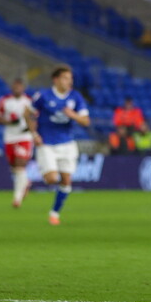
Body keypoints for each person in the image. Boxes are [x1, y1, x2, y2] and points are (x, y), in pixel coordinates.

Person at [28, 65, 91, 226]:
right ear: (55, 79)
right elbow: (29, 114)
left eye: (70, 79)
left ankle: (54, 212)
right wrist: (34, 134)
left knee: (66, 181)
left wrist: (73, 115)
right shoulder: (42, 96)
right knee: (51, 179)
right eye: (65, 78)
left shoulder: (75, 97)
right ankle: (30, 181)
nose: (69, 82)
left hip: (67, 143)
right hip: (47, 143)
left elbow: (86, 121)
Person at [0, 78, 35, 208]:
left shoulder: (29, 101)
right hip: (10, 137)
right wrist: (9, 122)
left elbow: (35, 118)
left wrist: (30, 126)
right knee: (13, 166)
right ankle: (26, 182)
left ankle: (17, 199)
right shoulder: (4, 101)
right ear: (12, 87)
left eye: (19, 87)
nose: (17, 89)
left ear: (23, 88)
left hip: (24, 136)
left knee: (20, 163)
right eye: (15, 86)